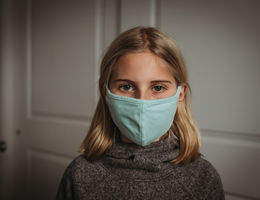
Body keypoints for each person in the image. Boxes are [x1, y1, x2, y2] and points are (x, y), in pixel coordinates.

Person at [56, 26, 225, 200]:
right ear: (105, 91)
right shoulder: (79, 174)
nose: (142, 101)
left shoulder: (202, 177)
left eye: (158, 87)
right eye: (126, 87)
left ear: (180, 93)